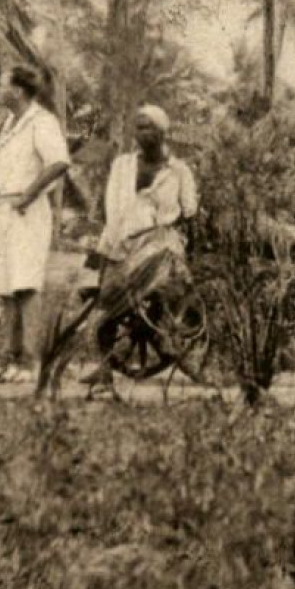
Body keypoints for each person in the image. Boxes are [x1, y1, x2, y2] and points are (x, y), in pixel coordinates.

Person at [82, 104, 200, 391]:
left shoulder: (178, 171)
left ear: (162, 133)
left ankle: (162, 332)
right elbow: (110, 205)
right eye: (138, 127)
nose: (140, 133)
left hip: (158, 242)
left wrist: (163, 222)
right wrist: (102, 242)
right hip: (120, 238)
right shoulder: (122, 165)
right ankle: (104, 367)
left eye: (147, 127)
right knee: (105, 299)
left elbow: (190, 210)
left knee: (146, 277)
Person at [0, 65, 70, 383]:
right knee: (5, 287)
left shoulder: (41, 122)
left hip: (26, 212)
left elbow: (58, 162)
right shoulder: (9, 124)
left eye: (2, 84)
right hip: (4, 211)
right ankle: (7, 360)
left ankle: (31, 363)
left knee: (26, 285)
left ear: (18, 91)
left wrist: (28, 196)